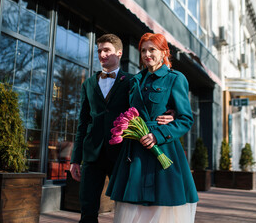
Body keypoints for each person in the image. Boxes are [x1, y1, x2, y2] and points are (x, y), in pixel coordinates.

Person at [70, 33, 174, 223]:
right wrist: (75, 159)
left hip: (122, 152)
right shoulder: (88, 84)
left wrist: (172, 113)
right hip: (92, 153)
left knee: (126, 206)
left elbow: (149, 107)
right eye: (99, 51)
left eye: (107, 50)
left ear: (119, 53)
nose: (102, 54)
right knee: (87, 208)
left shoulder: (133, 81)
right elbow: (82, 123)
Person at [106, 33, 199, 223]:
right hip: (135, 154)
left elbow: (186, 119)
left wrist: (159, 134)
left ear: (164, 52)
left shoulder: (175, 78)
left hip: (163, 149)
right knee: (132, 207)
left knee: (163, 205)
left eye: (152, 50)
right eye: (143, 50)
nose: (147, 54)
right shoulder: (135, 81)